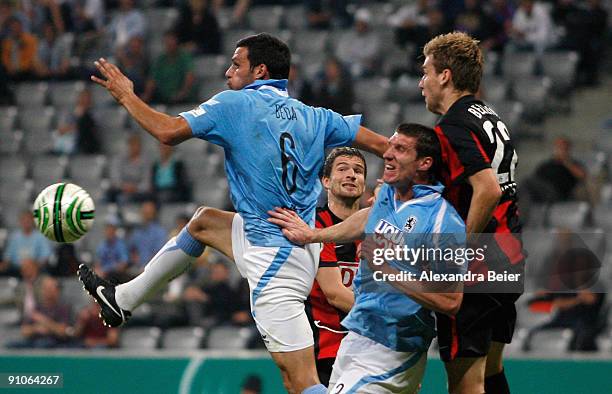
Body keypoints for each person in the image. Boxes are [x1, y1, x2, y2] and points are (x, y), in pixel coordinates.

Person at [78, 32, 387, 394]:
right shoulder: (316, 115)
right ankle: (123, 299)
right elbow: (385, 145)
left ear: (259, 70)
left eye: (236, 64)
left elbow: (168, 132)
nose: (227, 72)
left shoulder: (235, 104)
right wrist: (390, 185)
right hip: (294, 244)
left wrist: (126, 96)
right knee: (204, 222)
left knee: (301, 383)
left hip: (274, 265)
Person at [269, 123, 465, 393]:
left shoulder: (443, 221)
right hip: (357, 334)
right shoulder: (388, 194)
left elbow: (450, 299)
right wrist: (312, 235)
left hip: (393, 346)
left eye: (400, 149)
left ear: (424, 163)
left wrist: (386, 270)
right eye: (390, 146)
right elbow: (366, 218)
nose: (387, 154)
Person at [419, 32, 524, 394]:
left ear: (445, 76)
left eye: (426, 72)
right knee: (491, 370)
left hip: (479, 264)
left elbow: (488, 189)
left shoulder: (452, 125)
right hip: (508, 256)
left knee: (465, 382)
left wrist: (456, 252)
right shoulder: (489, 115)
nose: (422, 83)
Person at [306, 147, 365, 386]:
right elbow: (335, 294)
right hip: (327, 351)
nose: (352, 174)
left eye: (359, 171)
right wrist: (389, 323)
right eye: (343, 169)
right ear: (326, 181)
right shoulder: (315, 225)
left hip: (372, 350)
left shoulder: (380, 228)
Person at [525, 137, 586, 203]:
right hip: (543, 192)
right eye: (558, 147)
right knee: (526, 186)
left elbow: (582, 176)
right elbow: (535, 178)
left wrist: (566, 162)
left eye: (563, 148)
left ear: (568, 149)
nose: (560, 150)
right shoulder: (547, 164)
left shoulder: (573, 163)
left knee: (527, 183)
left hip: (559, 192)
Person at [0, 210, 52, 277]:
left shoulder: (40, 237)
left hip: (36, 268)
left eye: (28, 220)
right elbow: (7, 257)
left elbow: (46, 257)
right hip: (16, 269)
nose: (26, 222)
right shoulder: (14, 237)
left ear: (33, 221)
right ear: (20, 221)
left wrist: (33, 265)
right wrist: (4, 265)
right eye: (24, 220)